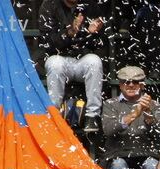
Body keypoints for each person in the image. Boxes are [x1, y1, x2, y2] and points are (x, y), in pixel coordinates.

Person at [38, 0, 108, 132]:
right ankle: (55, 115)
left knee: (94, 61)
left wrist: (91, 33)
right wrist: (68, 33)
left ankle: (92, 116)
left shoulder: (90, 5)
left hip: (82, 59)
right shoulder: (49, 5)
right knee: (55, 63)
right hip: (59, 58)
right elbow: (48, 43)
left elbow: (100, 44)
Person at [101, 66, 160, 169]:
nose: (130, 85)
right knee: (118, 165)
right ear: (120, 85)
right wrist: (133, 115)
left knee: (152, 166)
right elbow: (108, 130)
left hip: (146, 154)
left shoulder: (153, 105)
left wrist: (148, 115)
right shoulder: (110, 104)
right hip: (118, 155)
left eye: (135, 82)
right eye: (126, 81)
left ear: (142, 85)